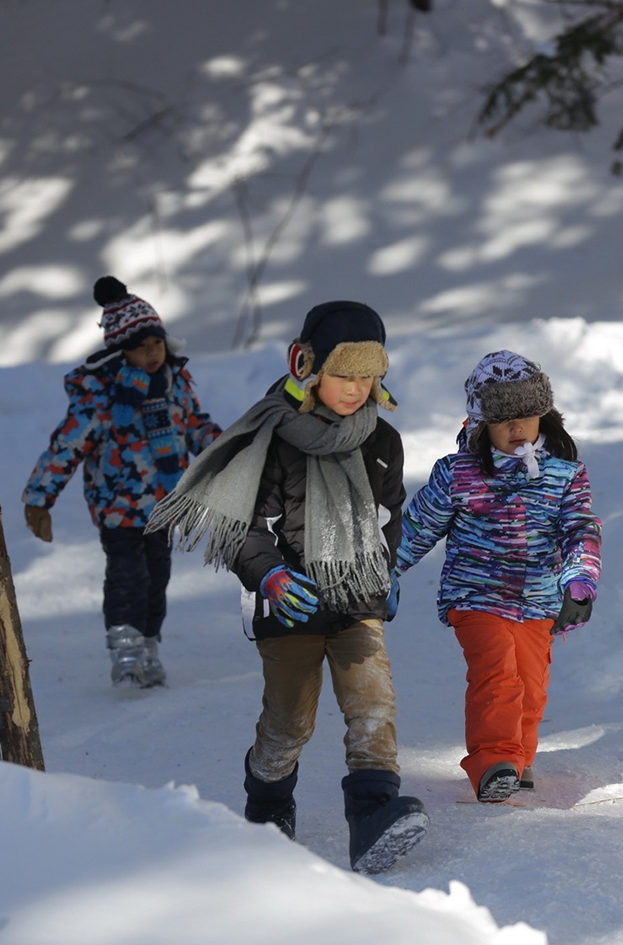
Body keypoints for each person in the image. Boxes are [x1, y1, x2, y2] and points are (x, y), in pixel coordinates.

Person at [147, 300, 428, 873]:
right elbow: (244, 524)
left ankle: (372, 816)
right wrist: (269, 573)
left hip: (356, 599)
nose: (355, 389)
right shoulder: (272, 437)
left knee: (373, 704)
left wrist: (387, 567)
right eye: (343, 375)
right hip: (288, 602)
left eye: (368, 376)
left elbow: (387, 515)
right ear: (308, 367)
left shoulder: (383, 441)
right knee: (289, 720)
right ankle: (269, 801)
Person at [395, 350, 601, 803]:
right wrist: (385, 572)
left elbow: (578, 530)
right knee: (498, 675)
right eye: (504, 421)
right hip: (475, 595)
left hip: (539, 599)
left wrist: (579, 582)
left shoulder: (565, 475)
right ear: (479, 424)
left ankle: (518, 758)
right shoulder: (459, 474)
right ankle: (494, 761)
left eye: (527, 418)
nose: (517, 430)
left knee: (530, 683)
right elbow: (418, 527)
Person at [22, 277, 222, 687]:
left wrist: (232, 452)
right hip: (117, 508)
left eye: (157, 344)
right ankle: (125, 648)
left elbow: (196, 428)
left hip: (165, 505)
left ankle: (148, 645)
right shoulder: (102, 395)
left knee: (158, 578)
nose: (151, 354)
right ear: (121, 351)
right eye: (140, 347)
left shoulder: (175, 384)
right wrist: (40, 498)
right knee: (127, 576)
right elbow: (68, 444)